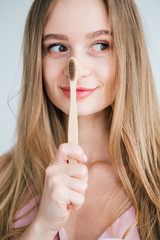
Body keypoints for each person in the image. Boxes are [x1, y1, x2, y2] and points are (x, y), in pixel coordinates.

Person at [0, 0, 160, 239]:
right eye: (57, 47)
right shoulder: (4, 178)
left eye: (101, 45)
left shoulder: (154, 181)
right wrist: (41, 227)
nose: (77, 68)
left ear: (130, 53)